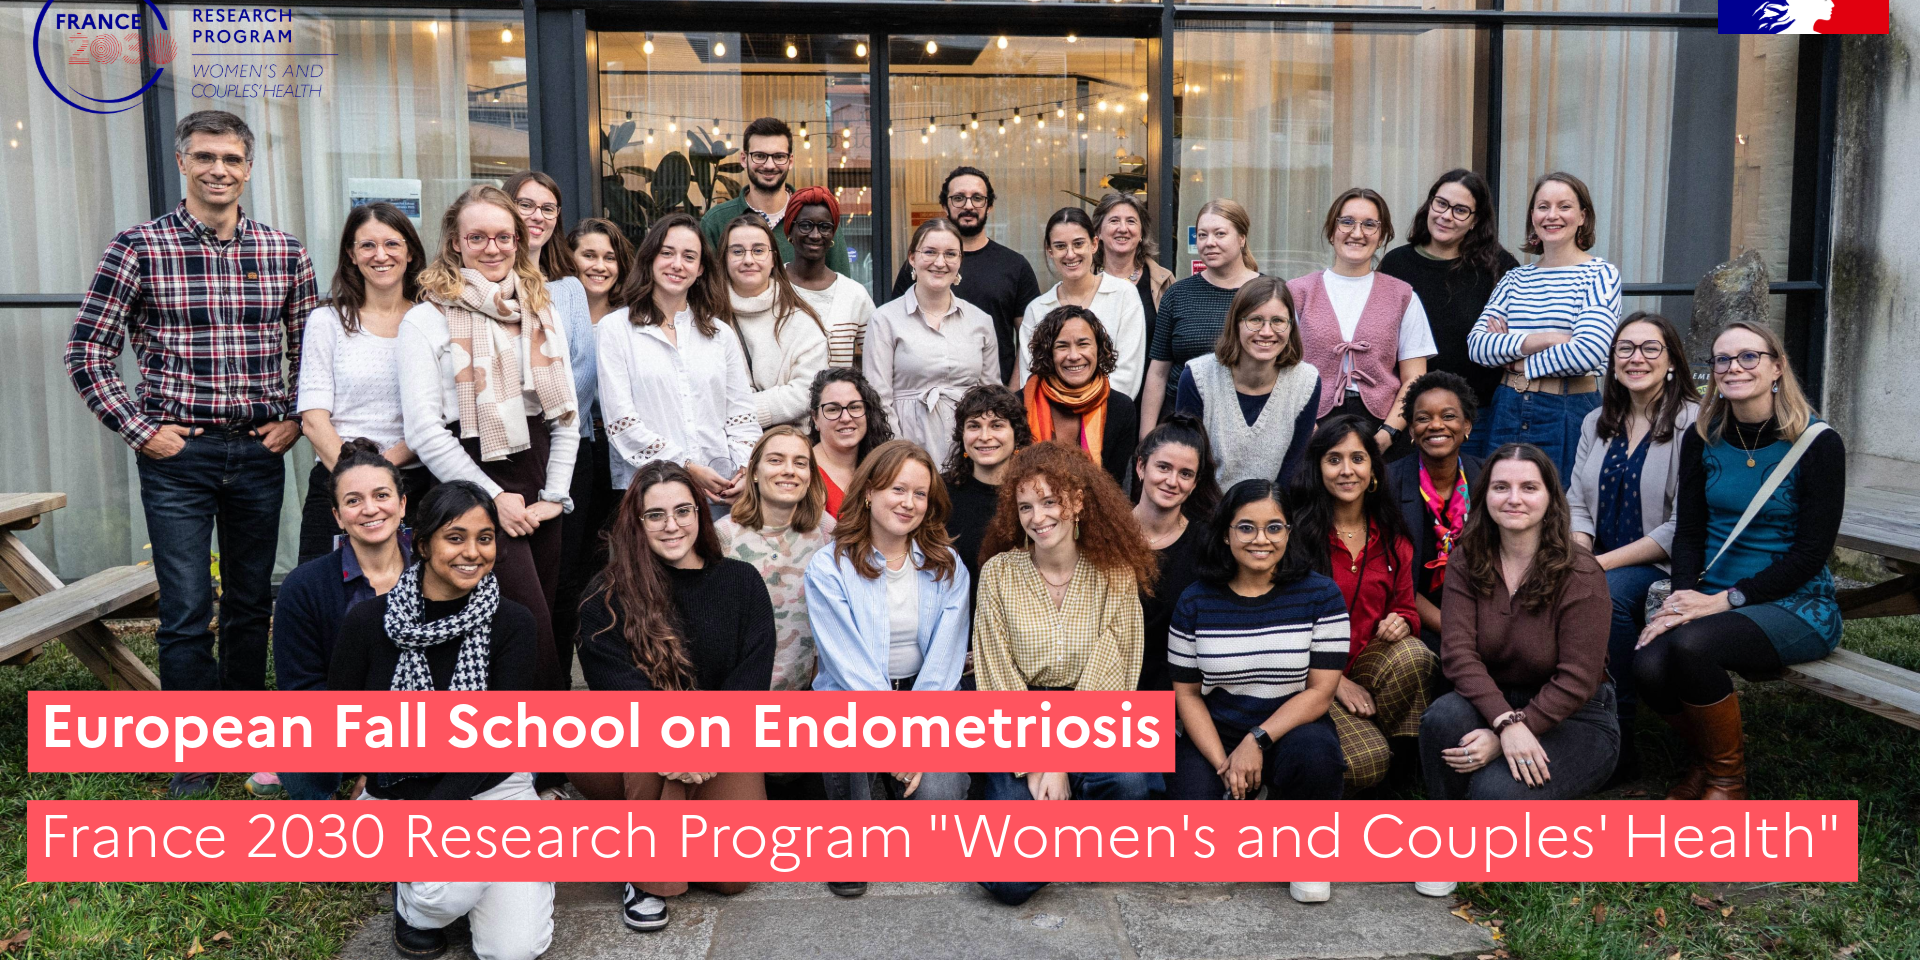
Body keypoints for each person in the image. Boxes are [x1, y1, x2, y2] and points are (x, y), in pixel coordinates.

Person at [65, 111, 317, 798]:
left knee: (250, 603)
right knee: (183, 609)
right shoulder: (138, 248)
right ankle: (195, 752)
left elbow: (312, 351)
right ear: (182, 163)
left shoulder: (284, 253)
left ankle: (244, 735)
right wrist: (140, 429)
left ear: (249, 168)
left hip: (258, 451)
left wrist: (294, 419)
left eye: (231, 159)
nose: (218, 170)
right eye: (205, 156)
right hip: (179, 457)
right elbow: (86, 350)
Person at [328, 481, 550, 960]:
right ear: (424, 545)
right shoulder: (369, 623)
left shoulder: (513, 623)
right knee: (442, 896)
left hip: (493, 787)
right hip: (400, 793)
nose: (472, 552)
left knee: (513, 951)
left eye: (485, 538)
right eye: (455, 537)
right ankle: (417, 903)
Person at [1635, 322, 1845, 802]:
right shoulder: (1703, 438)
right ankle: (1707, 761)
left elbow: (1811, 554)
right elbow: (1689, 532)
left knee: (1691, 647)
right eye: (1722, 359)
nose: (1734, 368)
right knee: (1647, 664)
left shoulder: (1818, 443)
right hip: (1710, 595)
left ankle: (1728, 782)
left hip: (1794, 602)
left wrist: (1723, 602)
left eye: (1749, 357)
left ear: (1777, 367)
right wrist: (1681, 598)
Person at [569, 461, 773, 932]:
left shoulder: (741, 582)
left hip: (721, 740)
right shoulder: (606, 596)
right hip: (632, 744)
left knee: (731, 876)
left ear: (700, 513)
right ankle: (646, 878)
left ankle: (639, 835)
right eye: (655, 515)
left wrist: (705, 742)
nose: (672, 525)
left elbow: (750, 683)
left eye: (683, 511)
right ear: (636, 523)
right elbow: (623, 696)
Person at [397, 184, 580, 691]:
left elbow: (565, 415)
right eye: (477, 237)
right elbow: (424, 430)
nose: (492, 248)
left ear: (519, 240)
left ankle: (531, 739)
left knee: (546, 614)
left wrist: (555, 495)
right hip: (469, 478)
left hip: (539, 475)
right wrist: (493, 499)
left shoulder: (540, 310)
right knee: (523, 622)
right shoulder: (427, 319)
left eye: (503, 236)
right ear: (456, 243)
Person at [804, 440, 973, 899]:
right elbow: (850, 666)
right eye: (898, 489)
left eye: (920, 494)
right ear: (868, 493)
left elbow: (944, 663)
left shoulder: (947, 565)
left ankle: (891, 792)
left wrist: (918, 737)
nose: (909, 503)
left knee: (936, 814)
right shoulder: (829, 567)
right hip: (853, 701)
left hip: (924, 698)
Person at [1166, 478, 1345, 905]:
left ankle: (1306, 850)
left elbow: (1321, 692)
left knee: (1317, 755)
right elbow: (1187, 694)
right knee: (1197, 848)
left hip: (1290, 729)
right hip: (1216, 732)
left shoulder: (1321, 595)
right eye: (1246, 527)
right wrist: (1224, 765)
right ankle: (1253, 812)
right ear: (1225, 534)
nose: (1261, 539)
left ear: (1289, 533)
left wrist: (1257, 740)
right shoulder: (1195, 601)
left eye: (1274, 527)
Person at [1419, 443, 1618, 801]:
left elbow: (1578, 678)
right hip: (1492, 699)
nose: (1514, 499)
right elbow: (1458, 655)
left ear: (1550, 498)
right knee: (1443, 718)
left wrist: (1510, 731)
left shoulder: (1581, 572)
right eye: (1501, 487)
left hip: (1575, 715)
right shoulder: (1466, 560)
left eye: (1529, 487)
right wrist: (1504, 721)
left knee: (1493, 792)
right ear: (1485, 496)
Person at [973, 443, 1158, 802]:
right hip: (1019, 719)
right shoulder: (999, 574)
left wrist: (1059, 762)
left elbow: (1112, 670)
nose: (1037, 517)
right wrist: (1035, 762)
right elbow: (997, 672)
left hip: (1096, 713)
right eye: (1025, 507)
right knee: (1013, 804)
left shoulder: (1114, 574)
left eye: (1049, 502)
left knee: (1129, 781)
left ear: (1077, 502)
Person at [1566, 312, 1700, 784]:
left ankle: (1619, 742)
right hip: (1598, 555)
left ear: (1671, 361)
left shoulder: (1693, 423)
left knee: (1607, 596)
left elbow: (1683, 525)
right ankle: (1562, 718)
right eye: (1625, 348)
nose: (1635, 358)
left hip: (1665, 562)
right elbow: (1576, 502)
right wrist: (1581, 555)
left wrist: (1596, 566)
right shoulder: (1596, 421)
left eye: (1649, 348)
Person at [1287, 416, 1433, 793]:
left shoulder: (1393, 537)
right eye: (1334, 459)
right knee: (1365, 761)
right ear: (1318, 468)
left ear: (1373, 470)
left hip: (1368, 664)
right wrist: (1335, 682)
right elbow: (1283, 631)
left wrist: (1402, 621)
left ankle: (1401, 774)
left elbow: (1407, 608)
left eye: (1357, 458)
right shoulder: (1295, 537)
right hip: (1308, 676)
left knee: (1414, 655)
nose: (1346, 470)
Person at [269, 439, 413, 801]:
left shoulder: (436, 575)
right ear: (337, 516)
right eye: (353, 501)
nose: (370, 509)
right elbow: (301, 689)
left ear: (402, 504)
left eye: (382, 495)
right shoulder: (304, 586)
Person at [295, 201, 432, 566]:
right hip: (336, 482)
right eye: (367, 245)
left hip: (413, 484)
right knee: (325, 591)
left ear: (410, 253)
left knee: (412, 591)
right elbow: (313, 419)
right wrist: (356, 481)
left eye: (392, 244)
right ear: (352, 255)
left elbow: (436, 416)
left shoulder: (432, 320)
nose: (380, 255)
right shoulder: (327, 321)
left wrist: (381, 473)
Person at [596, 212, 760, 508]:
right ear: (650, 258)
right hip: (649, 493)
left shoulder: (720, 333)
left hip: (720, 493)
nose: (677, 264)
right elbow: (622, 423)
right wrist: (687, 467)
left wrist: (744, 472)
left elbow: (742, 416)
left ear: (700, 269)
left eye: (689, 256)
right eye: (667, 253)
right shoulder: (616, 329)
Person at [1466, 172, 1621, 477]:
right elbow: (1478, 346)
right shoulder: (1515, 278)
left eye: (1564, 206)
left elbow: (1587, 352)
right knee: (1501, 499)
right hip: (1507, 407)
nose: (1552, 215)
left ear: (1582, 216)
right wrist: (1548, 338)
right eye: (1543, 206)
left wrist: (1516, 362)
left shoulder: (1600, 275)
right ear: (1533, 217)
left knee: (1562, 501)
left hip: (1567, 407)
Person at [507, 170, 595, 680]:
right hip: (503, 455)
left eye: (547, 208)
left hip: (566, 450)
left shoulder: (568, 290)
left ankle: (556, 691)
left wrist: (535, 406)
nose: (536, 216)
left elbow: (580, 374)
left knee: (561, 583)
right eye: (526, 205)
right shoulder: (485, 285)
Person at [1290, 188, 1435, 455]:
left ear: (1382, 236)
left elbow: (1414, 378)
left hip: (1384, 425)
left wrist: (1388, 433)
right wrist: (1308, 429)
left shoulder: (1403, 296)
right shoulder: (1297, 292)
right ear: (1331, 231)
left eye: (1369, 225)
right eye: (1347, 222)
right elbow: (1283, 370)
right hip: (1312, 422)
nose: (1357, 233)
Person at [553, 216, 634, 684]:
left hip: (622, 455)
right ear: (570, 259)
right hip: (575, 449)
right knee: (570, 569)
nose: (600, 265)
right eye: (589, 255)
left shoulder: (631, 317)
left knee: (613, 571)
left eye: (609, 257)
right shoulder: (554, 313)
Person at [1378, 169, 1519, 412]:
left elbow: (1518, 337)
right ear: (1429, 204)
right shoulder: (1396, 264)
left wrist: (1508, 342)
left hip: (1480, 413)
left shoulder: (1499, 268)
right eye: (1441, 204)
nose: (1446, 216)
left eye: (1460, 210)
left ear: (1476, 220)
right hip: (1409, 412)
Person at [889, 167, 1041, 382]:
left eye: (977, 198)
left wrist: (1013, 393)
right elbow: (896, 326)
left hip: (994, 392)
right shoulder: (922, 266)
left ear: (989, 206)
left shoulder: (1015, 266)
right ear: (945, 205)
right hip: (925, 391)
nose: (968, 206)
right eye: (958, 198)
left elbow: (1030, 339)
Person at [866, 218, 999, 462]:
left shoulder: (981, 321)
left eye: (950, 254)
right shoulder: (884, 320)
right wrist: (899, 456)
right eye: (930, 252)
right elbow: (878, 399)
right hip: (908, 450)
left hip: (969, 454)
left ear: (960, 260)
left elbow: (992, 397)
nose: (940, 262)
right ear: (912, 258)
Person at [716, 425, 836, 691]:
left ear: (810, 476)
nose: (789, 470)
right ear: (754, 472)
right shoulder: (723, 536)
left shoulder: (827, 531)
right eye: (775, 460)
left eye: (800, 463)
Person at [1173, 276, 1320, 488]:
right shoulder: (1197, 378)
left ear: (1291, 326)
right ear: (1236, 324)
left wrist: (1268, 508)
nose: (1267, 332)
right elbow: (1189, 461)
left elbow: (1294, 467)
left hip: (1275, 505)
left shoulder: (1306, 382)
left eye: (1278, 321)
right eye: (1255, 320)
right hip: (1208, 504)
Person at [1385, 372, 1486, 668]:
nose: (1436, 425)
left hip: (1482, 618)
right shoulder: (1388, 484)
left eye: (1448, 416)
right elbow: (1394, 579)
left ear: (1467, 426)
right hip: (1416, 621)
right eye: (1423, 418)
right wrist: (1454, 631)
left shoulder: (1488, 479)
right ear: (1412, 430)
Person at [1140, 199, 1260, 433]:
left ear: (1242, 238)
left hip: (1246, 419)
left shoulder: (1265, 293)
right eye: (1202, 235)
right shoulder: (1177, 294)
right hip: (1181, 421)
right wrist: (1146, 438)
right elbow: (1158, 373)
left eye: (1220, 234)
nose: (1209, 242)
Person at [1012, 207, 1147, 397]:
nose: (1070, 254)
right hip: (1050, 414)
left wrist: (1085, 406)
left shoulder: (1124, 295)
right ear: (1050, 251)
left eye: (1078, 244)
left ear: (1094, 244)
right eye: (1060, 246)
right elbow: (1032, 378)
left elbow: (1127, 376)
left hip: (1110, 410)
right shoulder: (1037, 310)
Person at [1132, 416, 1222, 692]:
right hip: (1103, 688)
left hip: (1175, 694)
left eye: (1185, 474)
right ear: (1141, 466)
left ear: (1195, 483)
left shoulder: (1207, 543)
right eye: (1163, 467)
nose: (1172, 481)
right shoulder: (1106, 533)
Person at [699, 117, 854, 274]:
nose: (769, 165)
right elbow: (706, 286)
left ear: (790, 161)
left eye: (779, 156)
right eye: (759, 156)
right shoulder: (716, 221)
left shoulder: (820, 219)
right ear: (744, 159)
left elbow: (841, 283)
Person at [722, 214, 829, 428]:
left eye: (758, 250)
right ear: (724, 259)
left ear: (773, 259)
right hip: (724, 445)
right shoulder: (706, 320)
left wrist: (741, 412)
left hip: (790, 442)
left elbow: (808, 390)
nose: (748, 260)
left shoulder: (801, 322)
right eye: (737, 251)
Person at [1020, 305, 1140, 490]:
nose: (1074, 356)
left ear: (1099, 349)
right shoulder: (1019, 405)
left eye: (1083, 344)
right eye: (1062, 346)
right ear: (1048, 353)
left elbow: (1115, 487)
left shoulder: (1121, 408)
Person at [942, 384, 1034, 600]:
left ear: (1016, 434)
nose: (984, 436)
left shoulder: (1033, 493)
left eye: (996, 425)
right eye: (974, 426)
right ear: (962, 435)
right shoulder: (939, 491)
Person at [785, 186, 876, 368]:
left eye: (824, 227)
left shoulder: (853, 294)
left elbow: (878, 358)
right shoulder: (771, 286)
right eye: (805, 225)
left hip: (836, 388)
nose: (815, 235)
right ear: (790, 230)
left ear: (833, 234)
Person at [1093, 192, 1175, 375]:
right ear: (1098, 232)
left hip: (1152, 388)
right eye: (1114, 221)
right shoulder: (1085, 280)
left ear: (1141, 233)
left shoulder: (1163, 281)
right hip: (1094, 389)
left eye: (1131, 221)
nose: (1123, 229)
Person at [807, 367, 896, 517]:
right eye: (833, 409)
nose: (846, 418)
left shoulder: (881, 467)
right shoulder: (804, 471)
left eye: (854, 407)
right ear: (815, 418)